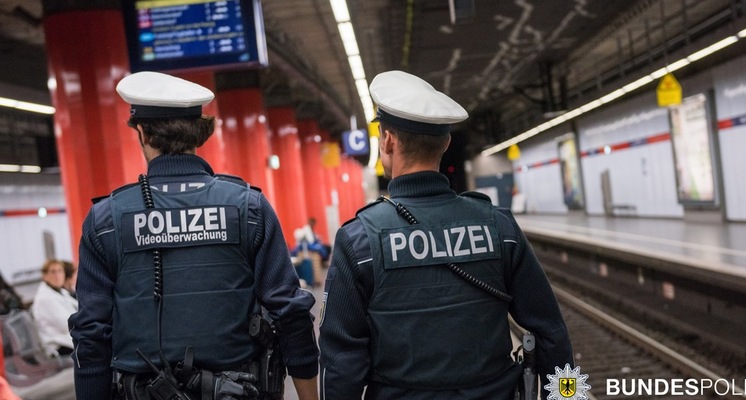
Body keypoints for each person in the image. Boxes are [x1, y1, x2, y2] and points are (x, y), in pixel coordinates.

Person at [318, 70, 573, 399]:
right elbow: (552, 334)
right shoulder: (499, 228)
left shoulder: (360, 241)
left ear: (387, 141)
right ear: (446, 142)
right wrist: (571, 397)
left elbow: (341, 365)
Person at [68, 71, 319, 400]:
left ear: (142, 132)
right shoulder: (248, 207)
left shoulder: (106, 219)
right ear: (198, 134)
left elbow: (91, 333)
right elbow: (289, 311)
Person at [31, 259, 78, 357]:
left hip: (69, 338)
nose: (57, 275)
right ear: (45, 276)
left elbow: (80, 309)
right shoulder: (45, 298)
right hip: (58, 346)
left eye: (60, 271)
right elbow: (67, 324)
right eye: (53, 272)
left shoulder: (60, 292)